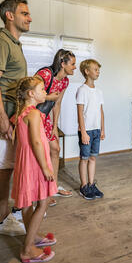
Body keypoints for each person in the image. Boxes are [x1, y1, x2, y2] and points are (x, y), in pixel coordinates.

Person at [0, 0, 30, 236]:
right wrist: (2, 119)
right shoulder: (0, 42)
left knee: (11, 167)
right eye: (24, 13)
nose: (29, 17)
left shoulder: (15, 43)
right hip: (3, 117)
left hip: (13, 116)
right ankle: (2, 220)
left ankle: (12, 213)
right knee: (3, 170)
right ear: (9, 15)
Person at [11, 76, 57, 263]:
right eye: (42, 90)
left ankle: (33, 236)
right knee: (43, 202)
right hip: (36, 163)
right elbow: (37, 141)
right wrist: (46, 166)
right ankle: (27, 249)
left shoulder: (20, 113)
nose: (45, 92)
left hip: (25, 163)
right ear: (31, 94)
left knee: (27, 203)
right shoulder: (35, 114)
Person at [35, 49, 76, 205]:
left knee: (56, 149)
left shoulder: (65, 81)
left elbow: (57, 104)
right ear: (62, 63)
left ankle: (52, 188)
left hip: (45, 118)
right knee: (41, 154)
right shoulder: (45, 74)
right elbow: (29, 93)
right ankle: (41, 192)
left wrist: (54, 126)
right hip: (33, 117)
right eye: (72, 64)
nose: (74, 67)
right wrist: (47, 97)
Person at [76, 59, 105, 200]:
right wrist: (83, 132)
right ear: (87, 72)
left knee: (93, 158)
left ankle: (91, 184)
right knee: (85, 158)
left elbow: (101, 111)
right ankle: (83, 186)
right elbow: (80, 113)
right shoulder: (82, 90)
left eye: (98, 70)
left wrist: (102, 129)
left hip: (96, 130)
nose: (98, 72)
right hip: (86, 131)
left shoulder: (99, 91)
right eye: (95, 69)